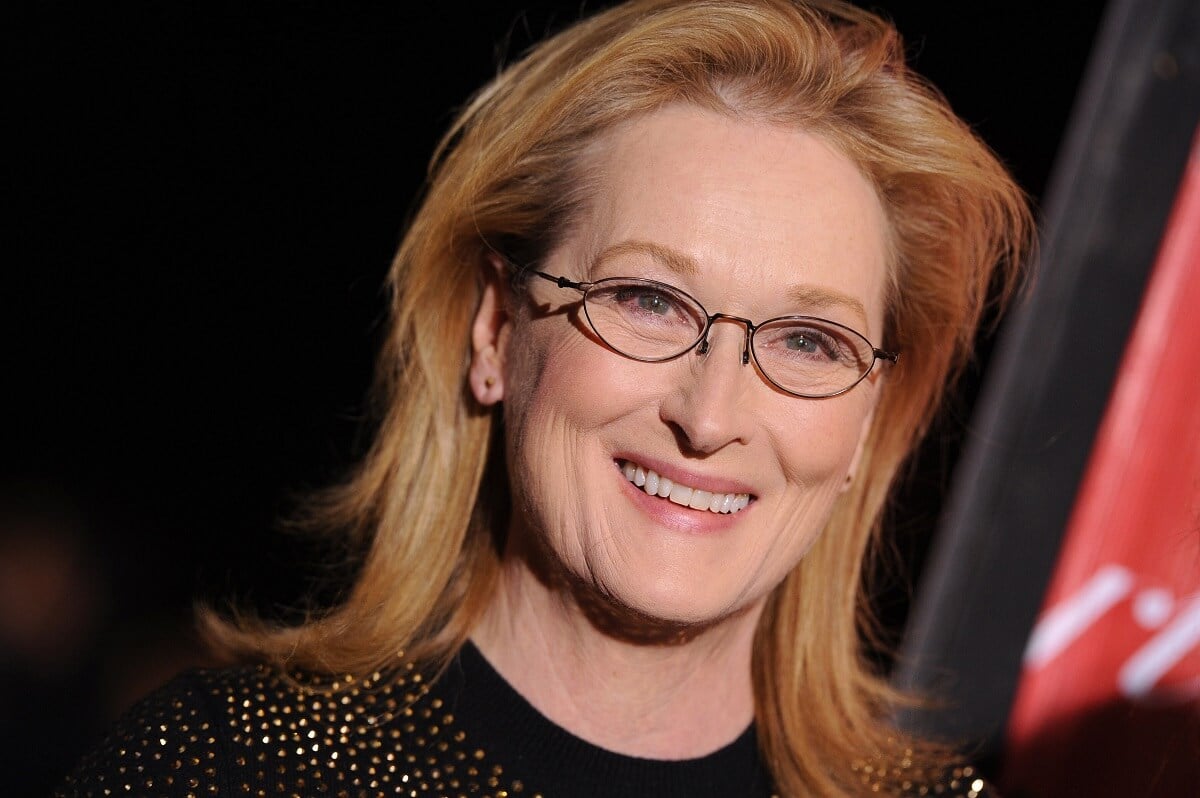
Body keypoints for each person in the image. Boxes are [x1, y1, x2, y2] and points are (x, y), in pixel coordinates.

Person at [58, 0, 1033, 795]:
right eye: (648, 300)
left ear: (868, 414)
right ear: (495, 328)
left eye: (809, 339)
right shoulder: (228, 773)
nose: (710, 416)